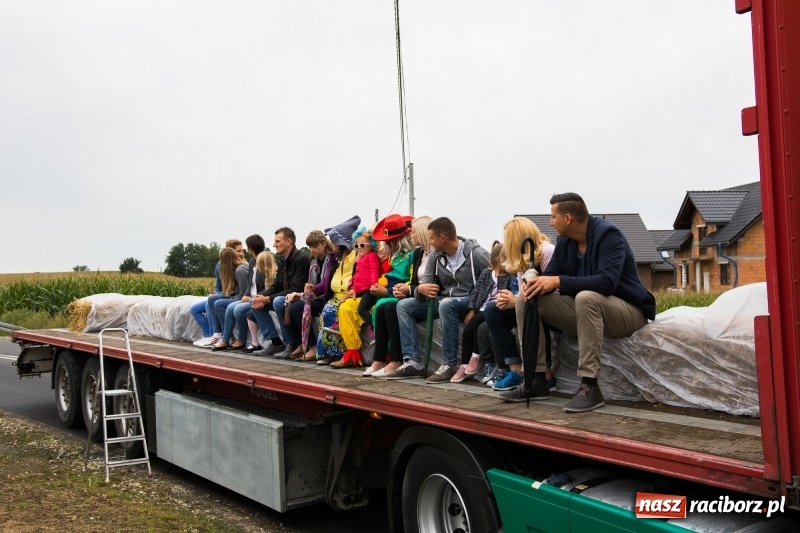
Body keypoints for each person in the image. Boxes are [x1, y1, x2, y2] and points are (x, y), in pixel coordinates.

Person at [502, 193, 655, 412]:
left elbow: (606, 283)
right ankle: (535, 380)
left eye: (553, 216)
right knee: (525, 300)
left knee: (586, 296)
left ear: (567, 218)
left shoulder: (609, 236)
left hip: (629, 312)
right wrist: (534, 284)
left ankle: (589, 386)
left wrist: (558, 281)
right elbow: (553, 273)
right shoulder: (566, 242)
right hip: (589, 312)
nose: (550, 222)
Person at [384, 217, 490, 382]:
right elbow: (424, 285)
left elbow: (493, 279)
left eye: (432, 238)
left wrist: (473, 308)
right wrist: (420, 289)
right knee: (404, 305)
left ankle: (449, 364)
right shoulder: (436, 255)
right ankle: (413, 362)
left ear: (442, 237)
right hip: (445, 300)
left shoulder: (476, 253)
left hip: (469, 299)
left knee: (446, 305)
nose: (430, 242)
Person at [484, 217, 554, 391]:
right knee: (492, 309)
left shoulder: (547, 251)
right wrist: (511, 298)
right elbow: (524, 291)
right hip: (530, 303)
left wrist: (516, 300)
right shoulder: (522, 258)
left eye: (508, 238)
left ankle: (547, 374)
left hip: (550, 307)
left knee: (535, 311)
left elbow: (557, 289)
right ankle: (515, 370)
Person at [368, 215, 430, 377]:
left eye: (414, 232)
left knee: (389, 306)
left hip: (418, 297)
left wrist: (394, 291)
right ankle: (380, 358)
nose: (411, 234)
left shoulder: (413, 255)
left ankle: (396, 359)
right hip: (409, 292)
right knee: (383, 307)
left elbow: (412, 280)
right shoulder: (417, 254)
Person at [449, 242, 516, 383]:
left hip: (494, 310)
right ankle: (464, 364)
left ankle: (477, 357)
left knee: (480, 328)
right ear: (500, 260)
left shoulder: (510, 276)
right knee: (468, 330)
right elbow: (476, 292)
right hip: (481, 309)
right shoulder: (486, 273)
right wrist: (471, 310)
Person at [276, 230, 338, 361]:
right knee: (285, 306)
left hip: (326, 298)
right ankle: (298, 344)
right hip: (315, 296)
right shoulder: (314, 260)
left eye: (315, 246)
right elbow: (312, 284)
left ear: (323, 244)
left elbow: (326, 284)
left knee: (296, 308)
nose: (312, 249)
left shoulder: (332, 259)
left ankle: (313, 346)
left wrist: (312, 289)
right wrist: (300, 293)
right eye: (310, 247)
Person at [250, 228, 310, 357]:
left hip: (298, 298)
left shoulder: (302, 259)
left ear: (288, 242)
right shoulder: (283, 260)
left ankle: (291, 344)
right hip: (286, 297)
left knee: (277, 302)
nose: (274, 244)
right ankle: (276, 342)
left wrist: (267, 299)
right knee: (254, 300)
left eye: (277, 241)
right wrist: (262, 296)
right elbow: (277, 285)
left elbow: (296, 288)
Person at [330, 226, 381, 368]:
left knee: (361, 309)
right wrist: (352, 287)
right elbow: (357, 276)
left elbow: (373, 272)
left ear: (372, 245)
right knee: (342, 305)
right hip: (360, 291)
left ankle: (376, 331)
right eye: (356, 245)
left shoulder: (372, 257)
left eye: (362, 245)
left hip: (371, 291)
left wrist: (373, 285)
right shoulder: (359, 259)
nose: (359, 247)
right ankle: (351, 352)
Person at [314, 216, 360, 365]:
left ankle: (341, 354)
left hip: (350, 297)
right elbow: (326, 283)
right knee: (327, 309)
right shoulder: (335, 258)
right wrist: (313, 289)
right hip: (335, 297)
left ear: (342, 243)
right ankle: (327, 353)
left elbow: (360, 280)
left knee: (331, 310)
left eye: (334, 240)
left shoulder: (357, 257)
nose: (331, 243)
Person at [210, 235, 267, 351]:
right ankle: (224, 336)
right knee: (215, 302)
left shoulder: (240, 270)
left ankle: (233, 338)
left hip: (253, 297)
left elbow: (245, 291)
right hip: (246, 296)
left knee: (233, 307)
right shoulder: (251, 262)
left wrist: (247, 296)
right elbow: (248, 287)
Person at [192, 238, 241, 347]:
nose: (241, 254)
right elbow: (219, 286)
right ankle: (208, 335)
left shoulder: (239, 267)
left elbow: (236, 289)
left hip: (230, 295)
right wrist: (215, 292)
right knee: (195, 309)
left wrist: (218, 295)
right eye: (238, 251)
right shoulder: (219, 266)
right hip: (224, 294)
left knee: (211, 302)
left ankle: (217, 335)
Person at [207, 247, 249, 348]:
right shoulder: (234, 269)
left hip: (242, 297)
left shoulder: (240, 270)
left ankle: (226, 338)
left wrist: (230, 297)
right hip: (237, 295)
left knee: (219, 303)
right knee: (213, 299)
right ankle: (223, 335)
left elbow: (243, 294)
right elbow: (235, 290)